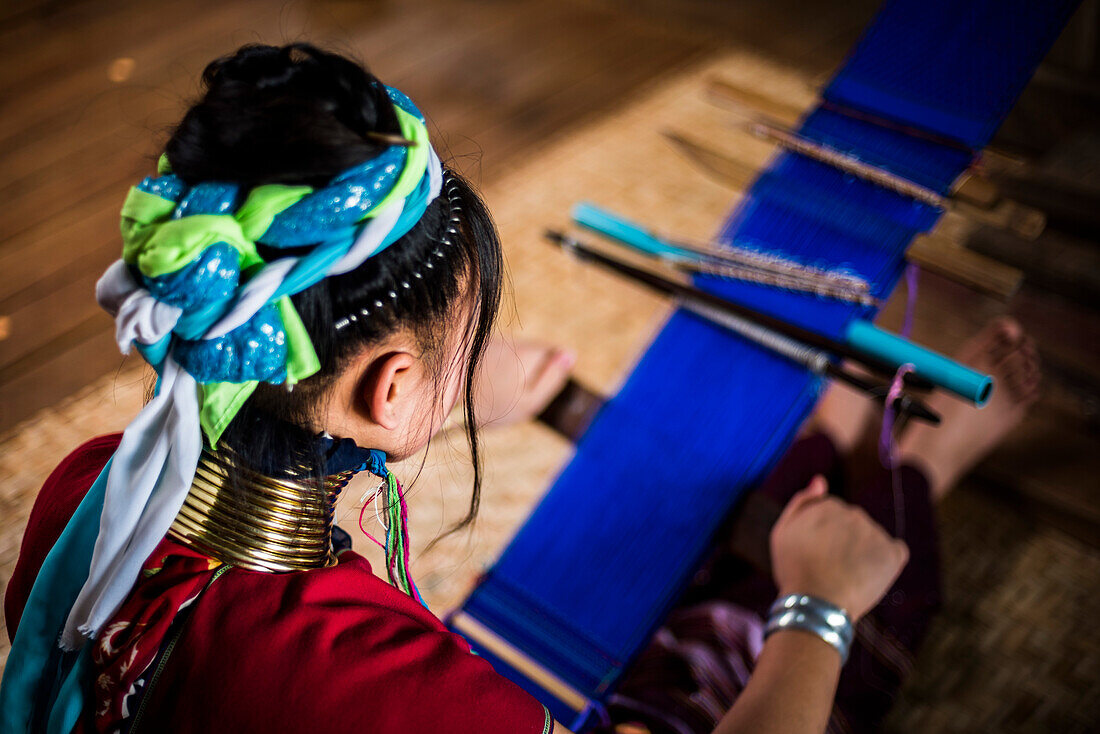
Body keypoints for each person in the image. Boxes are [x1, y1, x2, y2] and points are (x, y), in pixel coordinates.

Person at [0, 44, 1039, 734]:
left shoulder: (91, 488)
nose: (473, 364)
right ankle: (913, 466)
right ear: (387, 388)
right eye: (463, 340)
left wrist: (425, 404)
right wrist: (815, 607)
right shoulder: (383, 689)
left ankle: (840, 437)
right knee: (792, 619)